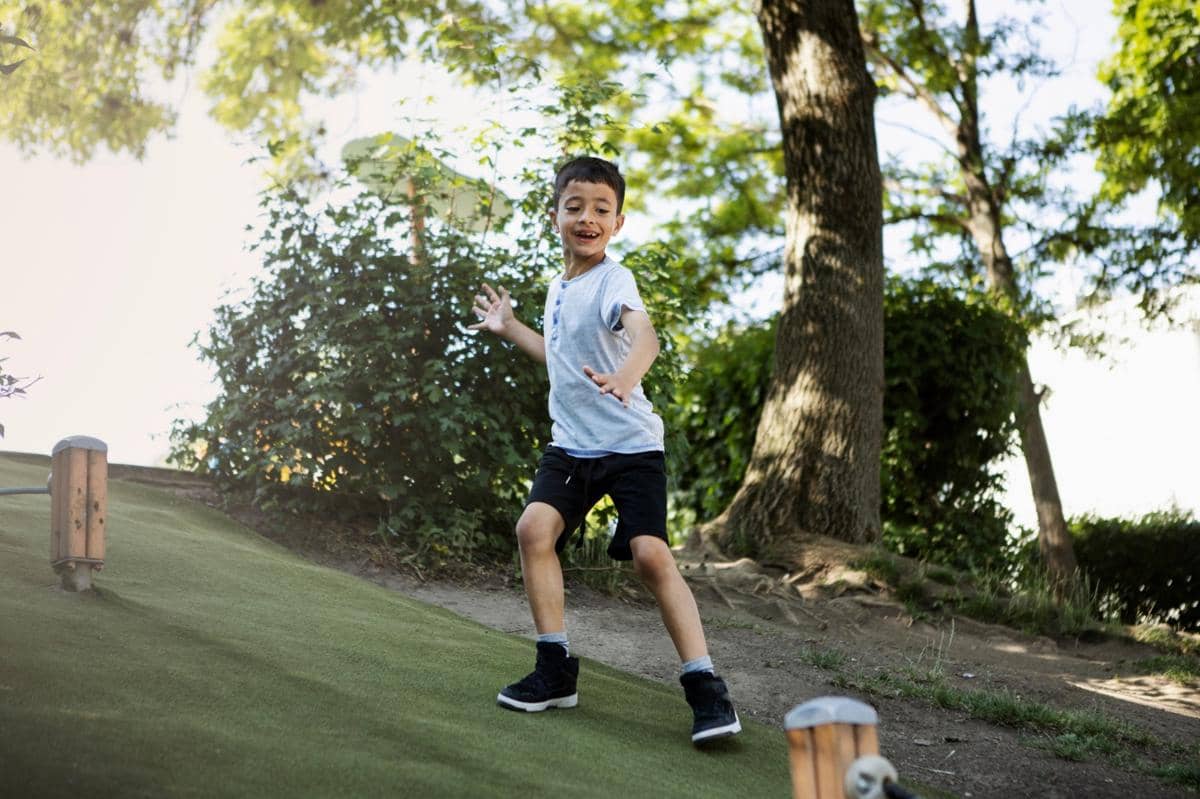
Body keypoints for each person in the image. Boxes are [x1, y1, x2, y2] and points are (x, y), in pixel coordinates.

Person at [468, 156, 740, 744]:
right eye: (575, 207)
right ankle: (555, 670)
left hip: (630, 445)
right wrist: (509, 327)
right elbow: (559, 356)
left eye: (600, 209)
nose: (587, 218)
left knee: (649, 555)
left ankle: (706, 688)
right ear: (555, 215)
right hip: (570, 447)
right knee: (533, 531)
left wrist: (626, 376)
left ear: (618, 222)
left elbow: (646, 335)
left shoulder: (614, 280)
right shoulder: (557, 287)